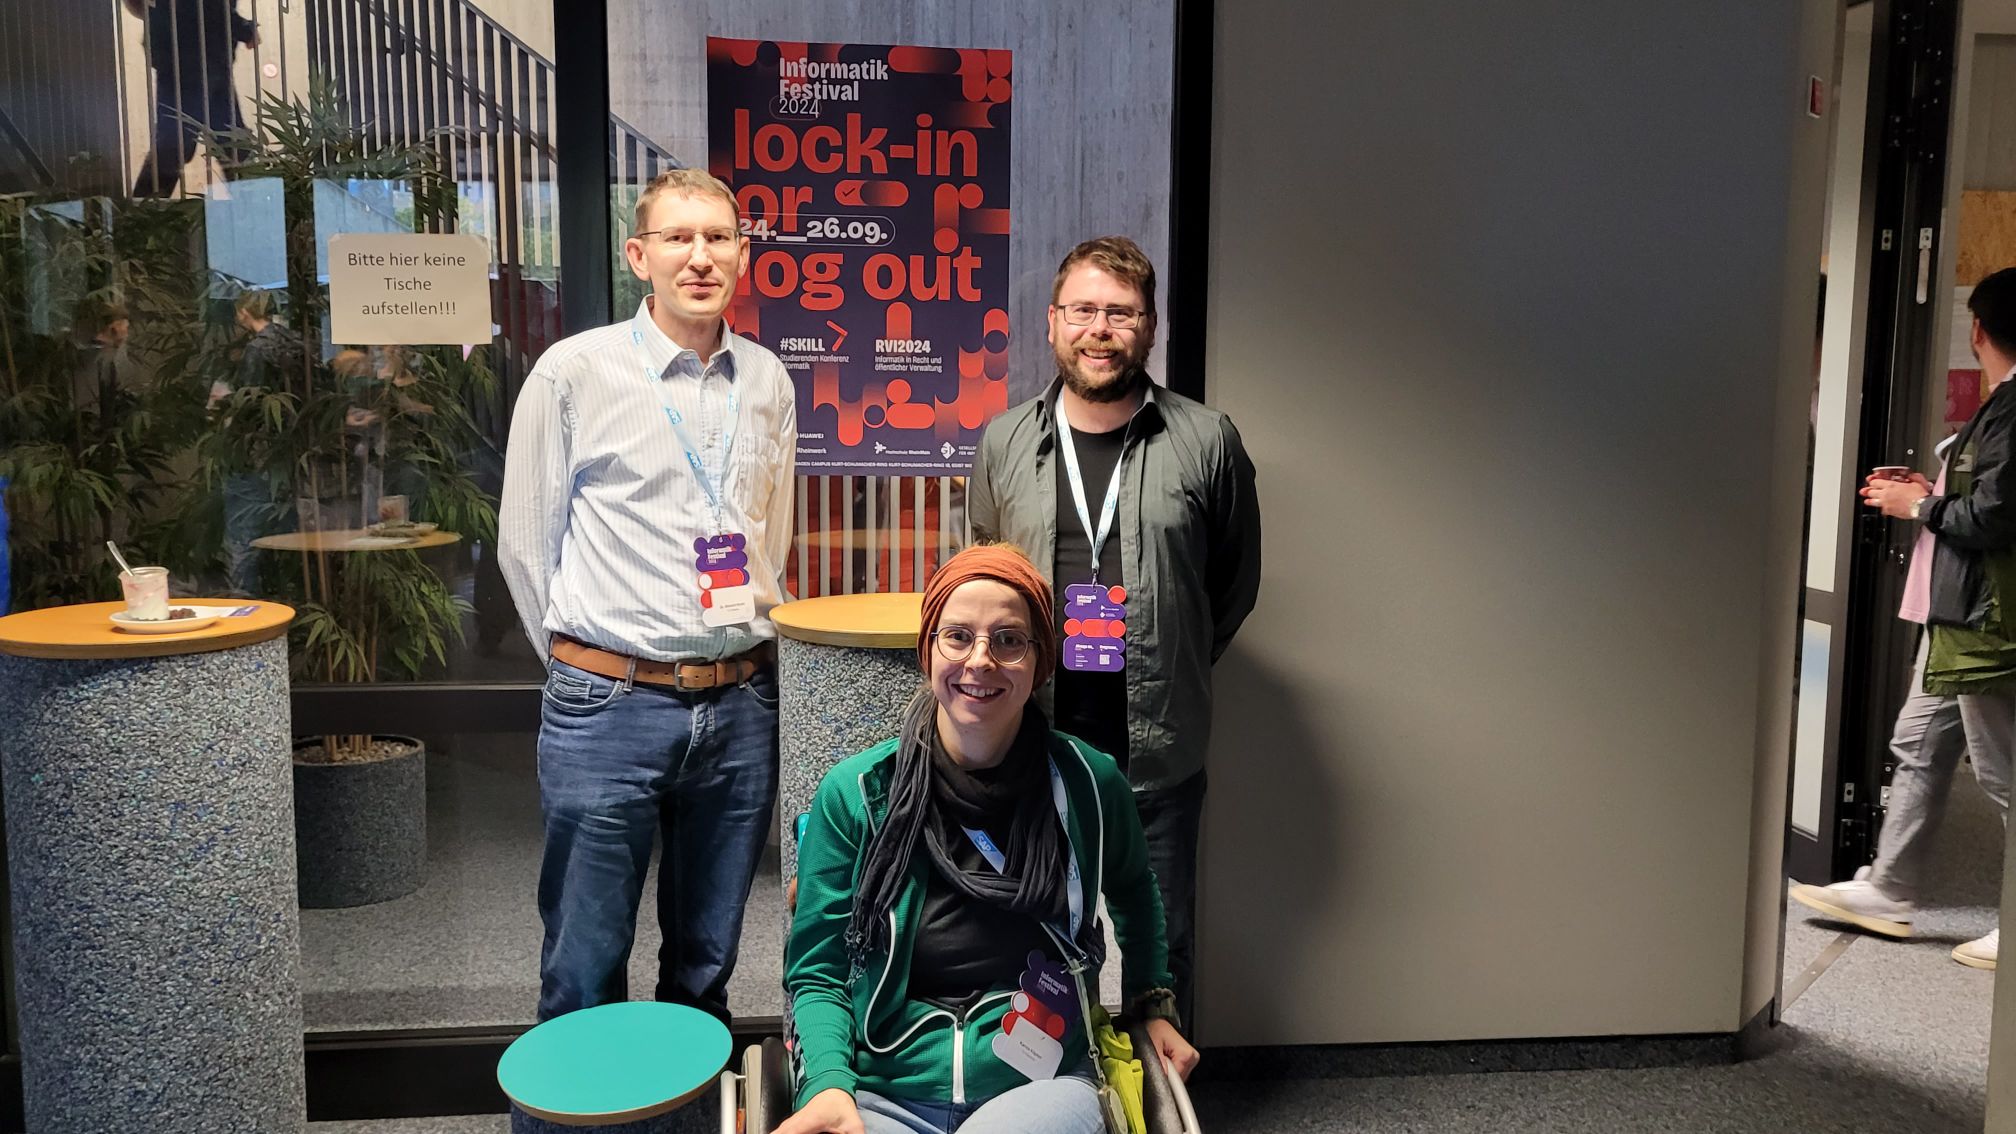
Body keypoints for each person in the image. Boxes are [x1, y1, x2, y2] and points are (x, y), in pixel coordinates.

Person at [498, 168, 795, 1024]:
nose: (699, 257)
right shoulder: (573, 373)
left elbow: (770, 537)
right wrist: (585, 668)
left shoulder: (769, 381)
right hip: (607, 706)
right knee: (584, 966)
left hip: (739, 705)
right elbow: (526, 549)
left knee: (706, 965)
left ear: (743, 254)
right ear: (640, 256)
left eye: (717, 238)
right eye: (677, 238)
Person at [776, 545, 1198, 1134]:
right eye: (957, 636)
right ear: (928, 651)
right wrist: (825, 1083)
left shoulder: (1089, 784)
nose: (981, 660)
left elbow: (1133, 888)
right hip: (883, 1084)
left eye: (1009, 640)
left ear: (1040, 661)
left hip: (1039, 1080)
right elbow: (818, 968)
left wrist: (1153, 1003)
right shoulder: (856, 794)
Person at [967, 236, 1261, 1028]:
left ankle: (1159, 1109)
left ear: (1150, 326)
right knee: (1027, 941)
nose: (1101, 329)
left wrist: (1176, 658)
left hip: (1157, 752)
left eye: (1121, 313)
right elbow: (983, 581)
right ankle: (1054, 1104)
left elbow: (1231, 588)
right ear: (1053, 323)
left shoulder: (1207, 441)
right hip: (1031, 749)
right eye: (1085, 310)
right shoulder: (1002, 443)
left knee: (1160, 951)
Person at [1791, 267, 2016, 971]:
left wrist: (1917, 508)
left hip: (1985, 622)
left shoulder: (2015, 407)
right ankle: (1889, 889)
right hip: (1954, 614)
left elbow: (1996, 518)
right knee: (1916, 743)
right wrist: (1930, 489)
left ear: (1977, 329)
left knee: (2005, 776)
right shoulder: (2000, 404)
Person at [125, 0, 258, 197]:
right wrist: (243, 29)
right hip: (196, 64)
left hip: (188, 64)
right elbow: (211, 11)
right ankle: (258, 210)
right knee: (226, 143)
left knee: (177, 146)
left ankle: (142, 213)